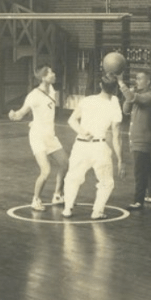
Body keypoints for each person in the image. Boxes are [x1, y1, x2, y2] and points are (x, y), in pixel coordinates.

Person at [62, 74, 124, 220]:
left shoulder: (87, 100)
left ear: (100, 86)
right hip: (100, 147)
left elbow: (71, 121)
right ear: (115, 89)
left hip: (81, 145)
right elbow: (116, 136)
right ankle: (97, 211)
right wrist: (121, 160)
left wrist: (83, 132)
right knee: (106, 182)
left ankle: (67, 209)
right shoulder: (115, 102)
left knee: (72, 178)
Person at [9, 64, 68, 211]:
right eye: (50, 73)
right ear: (43, 78)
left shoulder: (52, 90)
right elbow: (21, 114)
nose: (54, 74)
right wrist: (13, 115)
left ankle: (58, 195)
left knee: (65, 163)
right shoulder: (33, 95)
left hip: (50, 136)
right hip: (38, 137)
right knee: (46, 171)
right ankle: (35, 200)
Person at [118, 69, 151, 210]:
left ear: (148, 82)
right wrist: (128, 96)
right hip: (138, 138)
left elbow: (132, 98)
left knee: (140, 171)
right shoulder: (138, 96)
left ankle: (138, 201)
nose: (137, 81)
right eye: (136, 78)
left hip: (142, 139)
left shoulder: (149, 97)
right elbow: (125, 110)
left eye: (140, 78)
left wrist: (121, 83)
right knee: (147, 168)